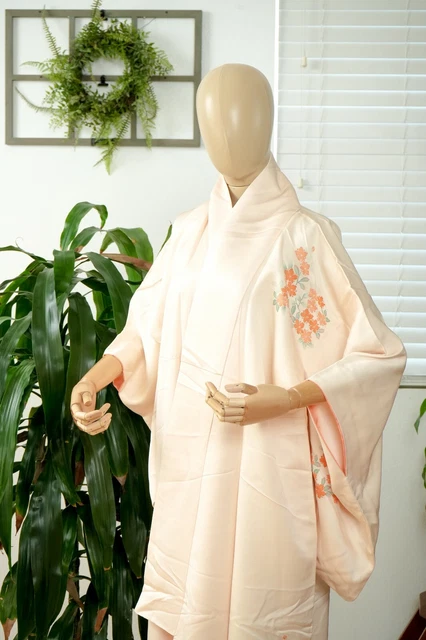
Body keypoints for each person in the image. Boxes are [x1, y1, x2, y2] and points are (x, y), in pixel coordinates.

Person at [71, 63, 407, 640]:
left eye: (242, 118)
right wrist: (96, 376)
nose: (228, 134)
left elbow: (376, 356)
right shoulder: (189, 232)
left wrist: (288, 398)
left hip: (269, 464)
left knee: (263, 608)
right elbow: (147, 329)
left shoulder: (307, 236)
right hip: (189, 459)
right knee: (187, 602)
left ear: (267, 124)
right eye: (214, 122)